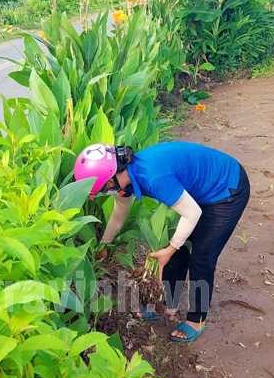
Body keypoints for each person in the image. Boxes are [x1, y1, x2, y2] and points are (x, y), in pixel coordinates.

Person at [74, 141, 250, 343]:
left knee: (202, 257)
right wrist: (104, 245)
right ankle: (168, 305)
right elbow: (119, 213)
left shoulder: (153, 177)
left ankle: (196, 320)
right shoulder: (126, 177)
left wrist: (171, 248)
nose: (105, 193)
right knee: (177, 247)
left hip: (227, 188)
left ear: (110, 180)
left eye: (102, 189)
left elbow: (192, 214)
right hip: (200, 191)